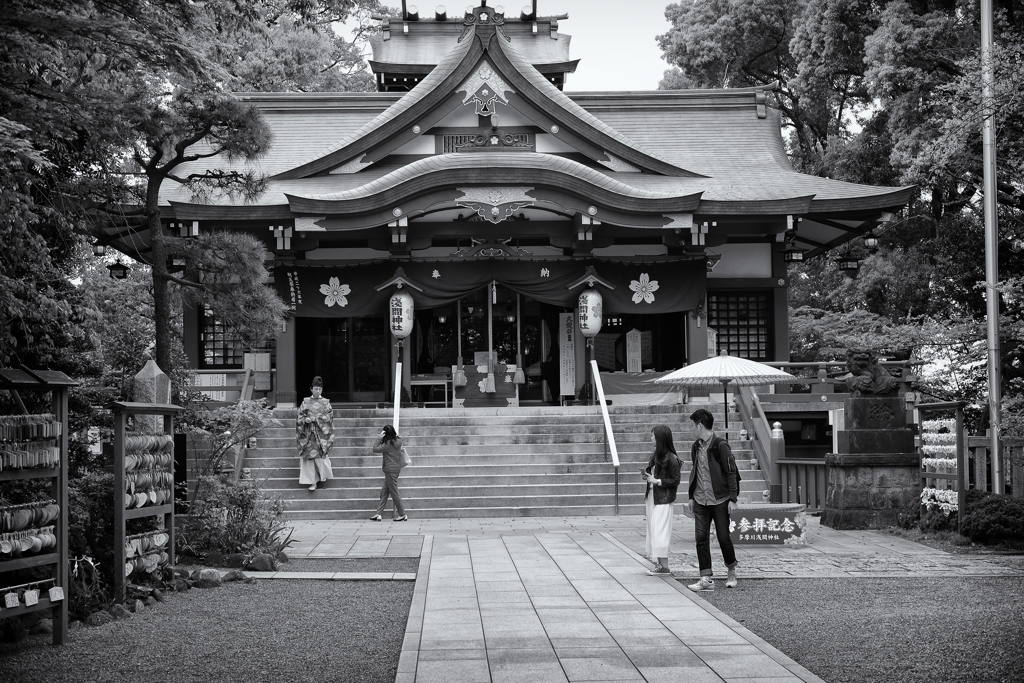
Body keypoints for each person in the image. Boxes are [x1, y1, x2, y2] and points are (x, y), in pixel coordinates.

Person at [686, 408, 740, 591]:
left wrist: (733, 498)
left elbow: (731, 472)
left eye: (692, 425)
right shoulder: (695, 446)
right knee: (701, 538)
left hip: (720, 499)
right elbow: (695, 472)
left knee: (724, 537)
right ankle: (706, 578)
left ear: (700, 425)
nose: (691, 429)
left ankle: (731, 569)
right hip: (701, 499)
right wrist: (691, 496)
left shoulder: (720, 445)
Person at [643, 425, 681, 576]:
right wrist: (647, 476)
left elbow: (676, 480)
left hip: (663, 499)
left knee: (660, 531)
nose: (651, 438)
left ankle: (664, 567)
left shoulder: (672, 458)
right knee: (654, 530)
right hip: (653, 496)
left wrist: (657, 481)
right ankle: (661, 566)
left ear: (660, 438)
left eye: (653, 436)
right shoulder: (656, 455)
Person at [296, 376, 334, 491]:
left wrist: (318, 419)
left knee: (320, 457)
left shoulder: (326, 402)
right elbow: (300, 417)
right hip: (308, 435)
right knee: (309, 459)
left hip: (321, 435)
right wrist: (305, 420)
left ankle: (322, 477)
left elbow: (329, 418)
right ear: (311, 389)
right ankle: (312, 482)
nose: (318, 391)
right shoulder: (305, 402)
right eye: (316, 389)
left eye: (320, 389)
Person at [370, 424, 408, 522]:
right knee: (384, 492)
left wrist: (379, 437)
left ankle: (402, 514)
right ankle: (378, 513)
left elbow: (375, 449)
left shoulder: (387, 445)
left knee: (394, 493)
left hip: (390, 471)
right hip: (395, 469)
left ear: (385, 434)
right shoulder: (398, 441)